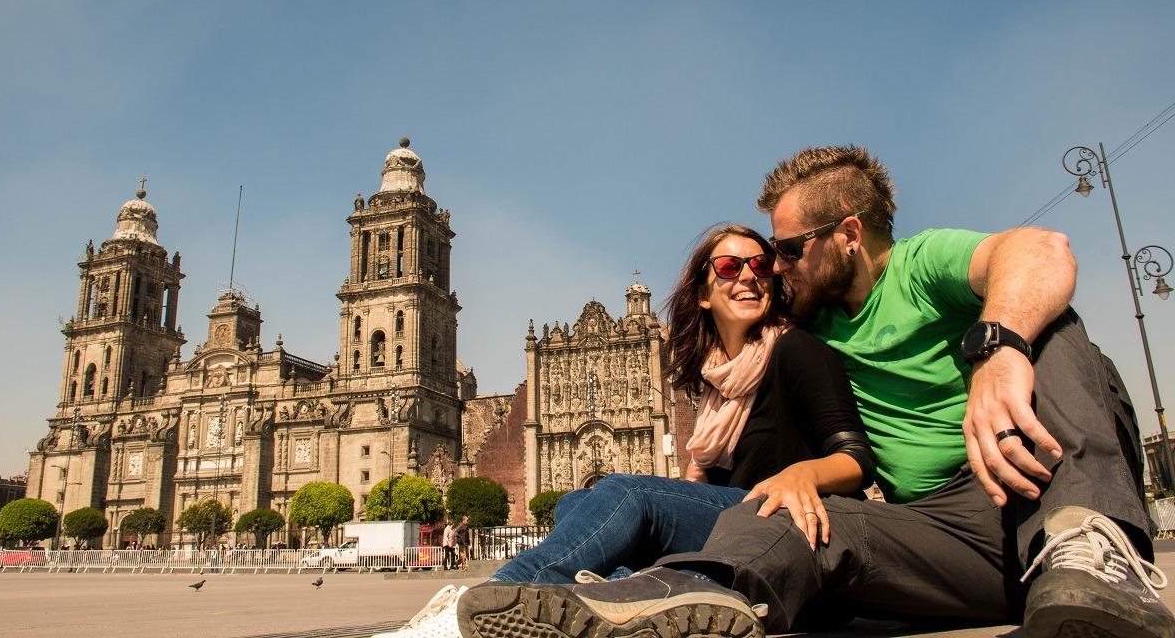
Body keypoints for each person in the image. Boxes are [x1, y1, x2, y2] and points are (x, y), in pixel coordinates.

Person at [464, 145, 1173, 638]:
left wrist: (996, 349)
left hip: (1036, 494)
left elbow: (1044, 250)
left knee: (1052, 324)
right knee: (785, 510)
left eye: (789, 250)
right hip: (939, 534)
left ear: (850, 237)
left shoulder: (921, 267)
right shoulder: (811, 326)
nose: (775, 267)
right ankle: (673, 599)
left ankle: (1092, 547)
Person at [388, 224, 874, 638]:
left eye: (761, 265)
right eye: (729, 268)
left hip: (777, 521)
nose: (747, 275)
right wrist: (692, 480)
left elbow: (855, 458)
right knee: (574, 504)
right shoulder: (715, 380)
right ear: (703, 293)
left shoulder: (794, 350)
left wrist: (803, 476)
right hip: (738, 522)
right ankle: (622, 599)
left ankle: (479, 603)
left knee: (624, 493)